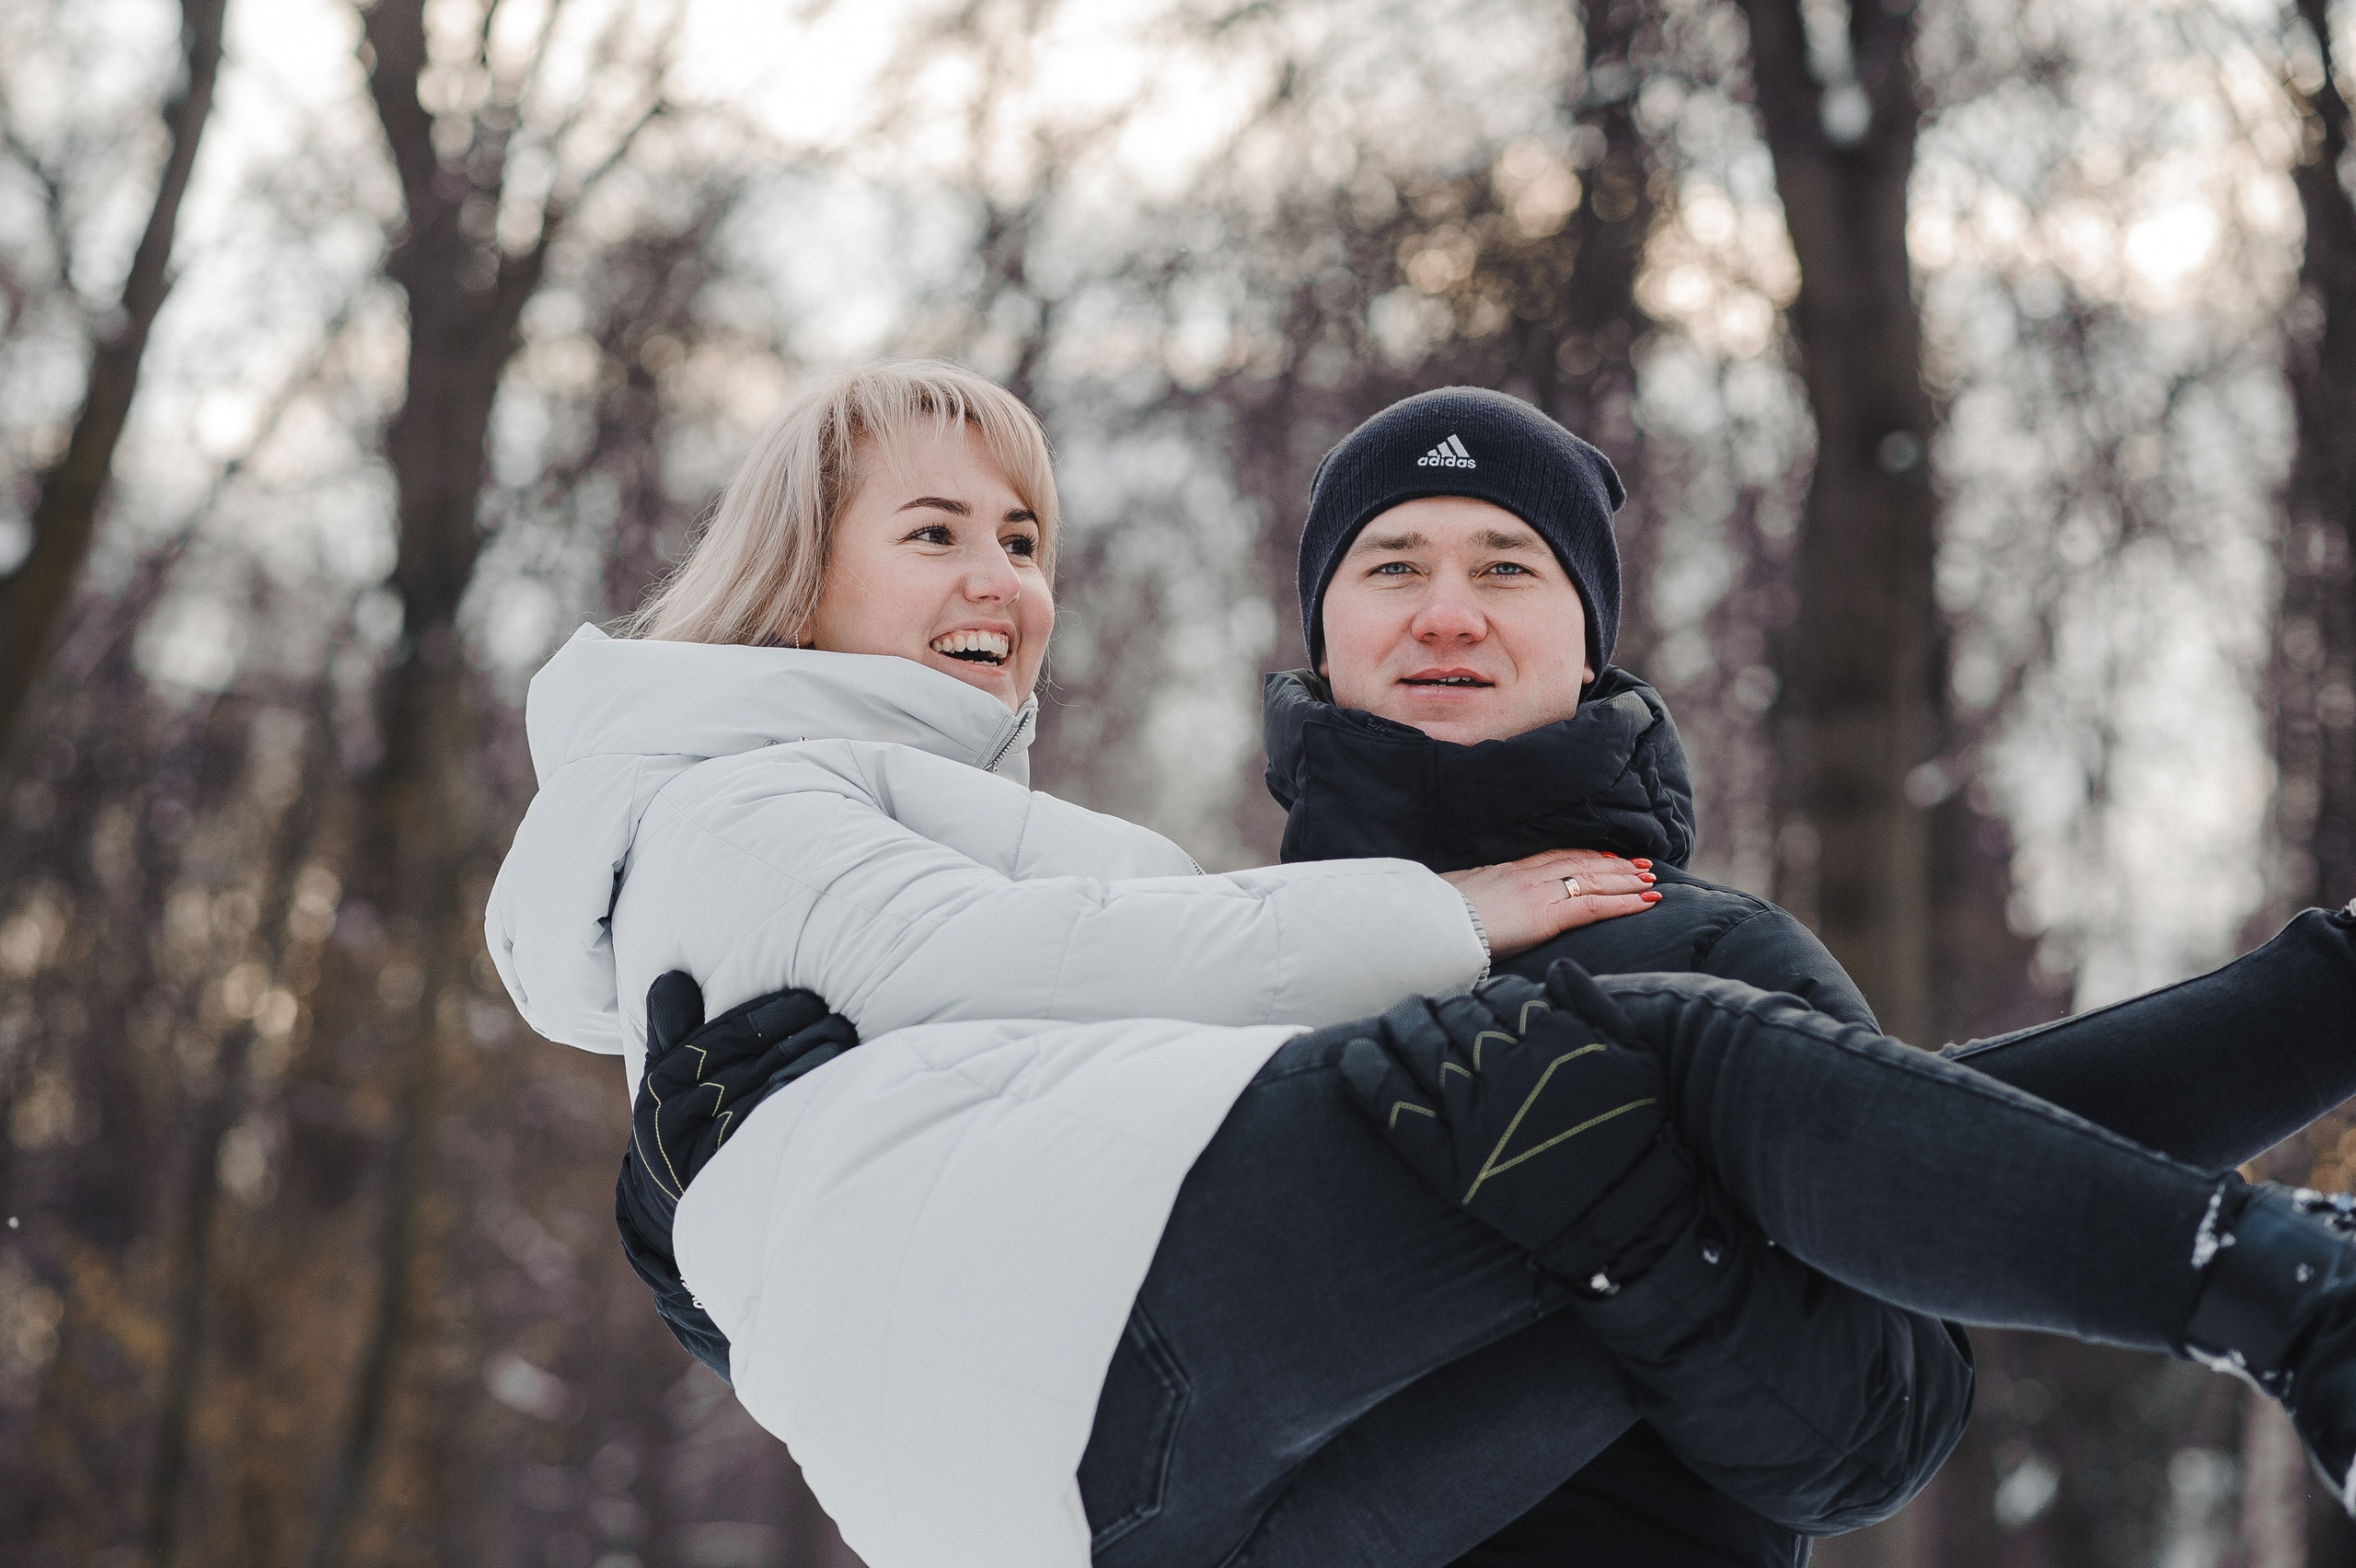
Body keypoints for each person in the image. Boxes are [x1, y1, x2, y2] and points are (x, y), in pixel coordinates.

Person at [486, 362, 2356, 1568]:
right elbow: (1011, 1277)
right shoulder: (1186, 980)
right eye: (1388, 563)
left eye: (1505, 567)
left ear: (1589, 645)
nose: (1444, 606)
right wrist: (708, 1246)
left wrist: (1636, 1240)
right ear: (1318, 632)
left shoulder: (1686, 945)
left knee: (1716, 1080)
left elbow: (1874, 1425)